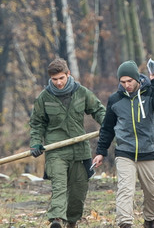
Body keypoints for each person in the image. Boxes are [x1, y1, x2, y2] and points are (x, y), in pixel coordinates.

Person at [29, 58, 106, 228]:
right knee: (59, 186)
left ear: (68, 74)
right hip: (56, 150)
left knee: (78, 192)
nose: (58, 83)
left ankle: (72, 222)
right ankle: (56, 219)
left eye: (61, 78)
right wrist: (35, 143)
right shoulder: (44, 98)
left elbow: (98, 110)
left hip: (80, 150)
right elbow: (36, 123)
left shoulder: (82, 92)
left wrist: (107, 126)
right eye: (54, 79)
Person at [92, 60, 154, 228]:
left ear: (137, 79)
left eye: (129, 81)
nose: (126, 85)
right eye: (122, 82)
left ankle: (149, 221)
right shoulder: (115, 100)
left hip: (148, 151)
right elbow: (107, 128)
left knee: (152, 193)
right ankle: (125, 224)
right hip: (125, 152)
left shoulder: (150, 93)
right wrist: (101, 151)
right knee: (125, 191)